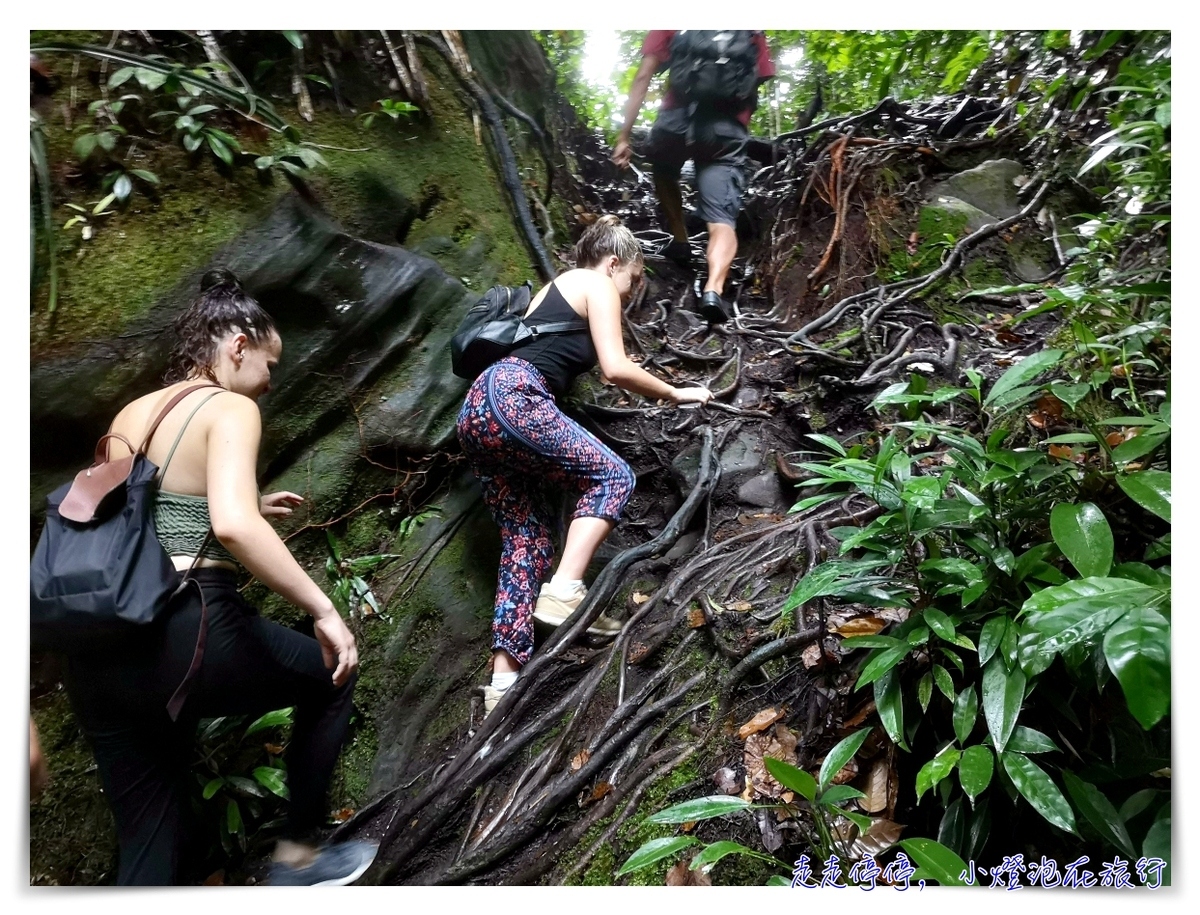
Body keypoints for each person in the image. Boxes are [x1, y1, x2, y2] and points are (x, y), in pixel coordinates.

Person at [60, 269, 377, 886]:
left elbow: (139, 517)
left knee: (149, 839)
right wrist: (324, 612)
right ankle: (298, 859)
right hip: (187, 629)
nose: (269, 380)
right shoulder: (229, 407)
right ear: (237, 347)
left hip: (97, 652)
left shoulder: (130, 413)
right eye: (268, 363)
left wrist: (251, 504)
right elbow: (230, 526)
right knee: (332, 676)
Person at [456, 217, 713, 718]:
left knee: (526, 539)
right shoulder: (595, 281)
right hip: (514, 397)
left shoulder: (553, 293)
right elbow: (616, 368)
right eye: (635, 277)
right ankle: (566, 590)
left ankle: (502, 684)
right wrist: (676, 392)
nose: (634, 288)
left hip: (478, 413)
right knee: (613, 475)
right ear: (614, 263)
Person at [612, 30, 776, 324]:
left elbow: (643, 76)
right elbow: (760, 76)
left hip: (675, 122)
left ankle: (680, 238)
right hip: (725, 131)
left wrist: (624, 134)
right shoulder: (749, 27)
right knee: (722, 218)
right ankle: (713, 288)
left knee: (663, 169)